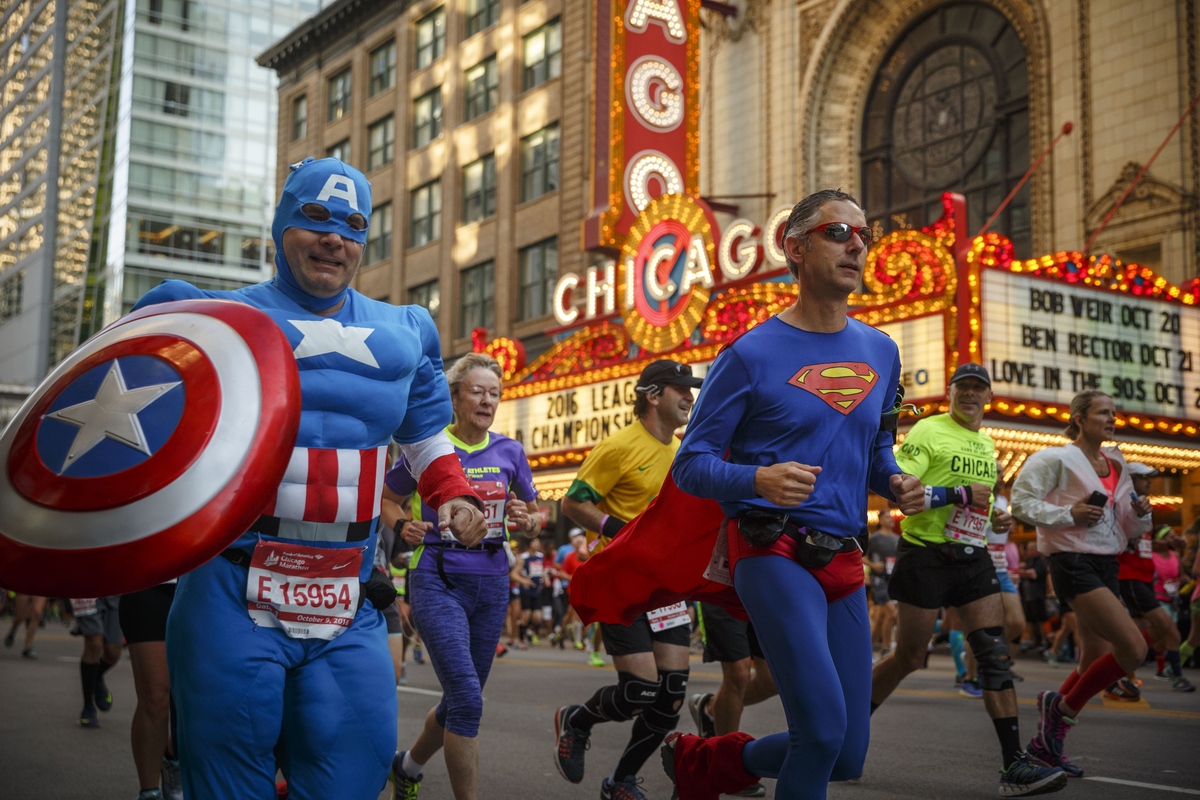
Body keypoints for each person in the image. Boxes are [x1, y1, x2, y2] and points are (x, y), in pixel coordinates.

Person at [132, 157, 486, 799]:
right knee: (228, 779)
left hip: (347, 592)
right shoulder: (209, 320)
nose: (335, 238)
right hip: (231, 586)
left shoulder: (403, 333)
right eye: (315, 219)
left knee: (354, 769)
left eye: (352, 226)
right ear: (280, 227)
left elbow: (427, 434)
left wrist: (453, 493)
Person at [661, 189, 925, 800]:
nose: (856, 244)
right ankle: (708, 761)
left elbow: (875, 450)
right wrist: (758, 479)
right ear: (795, 249)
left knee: (846, 753)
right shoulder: (749, 355)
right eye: (839, 232)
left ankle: (705, 761)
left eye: (865, 236)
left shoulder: (882, 351)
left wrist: (894, 481)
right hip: (771, 550)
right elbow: (691, 466)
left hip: (844, 558)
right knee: (822, 732)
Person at [868, 362, 1064, 795]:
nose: (971, 394)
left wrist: (995, 514)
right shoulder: (928, 432)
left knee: (994, 652)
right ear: (952, 392)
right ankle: (845, 727)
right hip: (925, 555)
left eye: (979, 388)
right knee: (910, 657)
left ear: (988, 396)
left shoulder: (987, 443)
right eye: (963, 387)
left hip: (973, 556)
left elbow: (981, 499)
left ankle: (1013, 764)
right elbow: (903, 491)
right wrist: (959, 495)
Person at [384, 352, 541, 800]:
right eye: (477, 391)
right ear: (454, 397)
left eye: (495, 393)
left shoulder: (511, 451)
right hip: (437, 577)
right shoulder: (428, 448)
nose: (487, 400)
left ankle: (408, 767)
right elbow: (387, 500)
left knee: (459, 700)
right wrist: (401, 525)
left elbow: (534, 514)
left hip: (492, 582)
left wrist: (525, 518)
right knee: (469, 701)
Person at [553, 358, 703, 800]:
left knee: (671, 695)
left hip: (667, 588)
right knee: (639, 690)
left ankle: (620, 781)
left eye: (691, 389)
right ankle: (577, 721)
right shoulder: (619, 446)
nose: (690, 397)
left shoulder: (681, 453)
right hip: (621, 583)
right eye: (681, 388)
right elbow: (573, 503)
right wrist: (619, 529)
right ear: (653, 395)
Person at [1011, 389, 1154, 778]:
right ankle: (1061, 713)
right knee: (1134, 648)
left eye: (1114, 412)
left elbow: (1126, 525)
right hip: (1072, 561)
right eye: (1103, 412)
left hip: (1107, 562)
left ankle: (1046, 742)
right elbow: (1020, 504)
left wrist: (1140, 513)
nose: (1111, 419)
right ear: (1078, 418)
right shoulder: (1053, 458)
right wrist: (1068, 512)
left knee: (1093, 657)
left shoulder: (1117, 464)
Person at [1113, 463, 1194, 695]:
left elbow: (1145, 544)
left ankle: (1121, 670)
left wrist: (1168, 544)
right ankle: (1175, 674)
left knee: (1139, 631)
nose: (1149, 482)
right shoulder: (1124, 505)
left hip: (1144, 575)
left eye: (1151, 478)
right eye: (1144, 478)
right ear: (1131, 479)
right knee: (1168, 627)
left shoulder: (1146, 506)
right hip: (1130, 576)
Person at [687, 603, 777, 797]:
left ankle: (710, 709)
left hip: (762, 592)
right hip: (722, 590)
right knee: (738, 675)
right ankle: (725, 766)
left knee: (773, 680)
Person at [120, 583, 184, 799]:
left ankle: (173, 761)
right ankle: (149, 792)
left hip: (200, 583)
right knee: (155, 698)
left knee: (190, 699)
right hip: (147, 582)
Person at [72, 596, 122, 729]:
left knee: (113, 652)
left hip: (115, 590)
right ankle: (88, 707)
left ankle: (96, 677)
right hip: (87, 589)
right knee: (94, 644)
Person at [865, 513, 900, 659]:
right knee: (892, 613)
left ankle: (867, 652)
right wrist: (873, 565)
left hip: (892, 580)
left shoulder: (897, 539)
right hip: (878, 581)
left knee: (880, 619)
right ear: (880, 520)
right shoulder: (874, 538)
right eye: (887, 517)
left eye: (891, 518)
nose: (891, 520)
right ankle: (886, 648)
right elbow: (861, 556)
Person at [3, 594, 47, 660]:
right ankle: (13, 630)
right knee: (21, 615)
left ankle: (27, 647)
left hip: (40, 585)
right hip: (24, 586)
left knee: (37, 613)